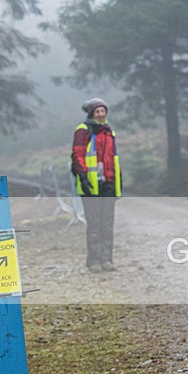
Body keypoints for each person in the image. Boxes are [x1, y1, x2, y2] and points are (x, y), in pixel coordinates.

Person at [71, 98, 122, 273]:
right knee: (94, 224)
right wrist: (83, 176)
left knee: (107, 224)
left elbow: (114, 158)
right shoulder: (83, 130)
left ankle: (107, 259)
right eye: (97, 111)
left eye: (103, 111)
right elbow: (77, 154)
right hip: (90, 185)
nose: (101, 114)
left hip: (108, 184)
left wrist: (118, 180)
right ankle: (94, 261)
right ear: (91, 113)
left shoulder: (109, 131)